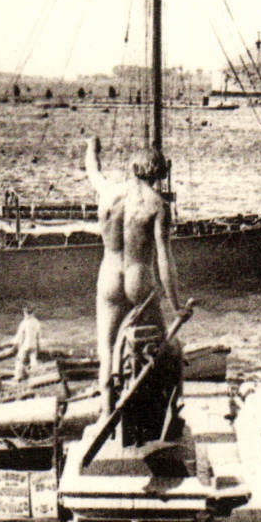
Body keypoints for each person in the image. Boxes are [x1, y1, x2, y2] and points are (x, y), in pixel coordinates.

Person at [84, 136, 182, 399]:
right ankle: (170, 412)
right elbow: (164, 260)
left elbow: (93, 170)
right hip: (139, 277)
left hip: (110, 274)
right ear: (159, 173)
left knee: (107, 348)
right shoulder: (158, 205)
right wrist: (176, 306)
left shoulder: (108, 191)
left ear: (133, 168)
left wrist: (92, 147)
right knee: (169, 348)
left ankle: (107, 409)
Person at [12, 307, 43, 381]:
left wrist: (18, 344)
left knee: (20, 360)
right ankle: (35, 376)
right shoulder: (36, 322)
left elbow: (21, 335)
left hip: (25, 344)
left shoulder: (24, 323)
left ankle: (18, 376)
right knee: (33, 360)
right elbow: (39, 335)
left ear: (26, 313)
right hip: (34, 343)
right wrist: (38, 345)